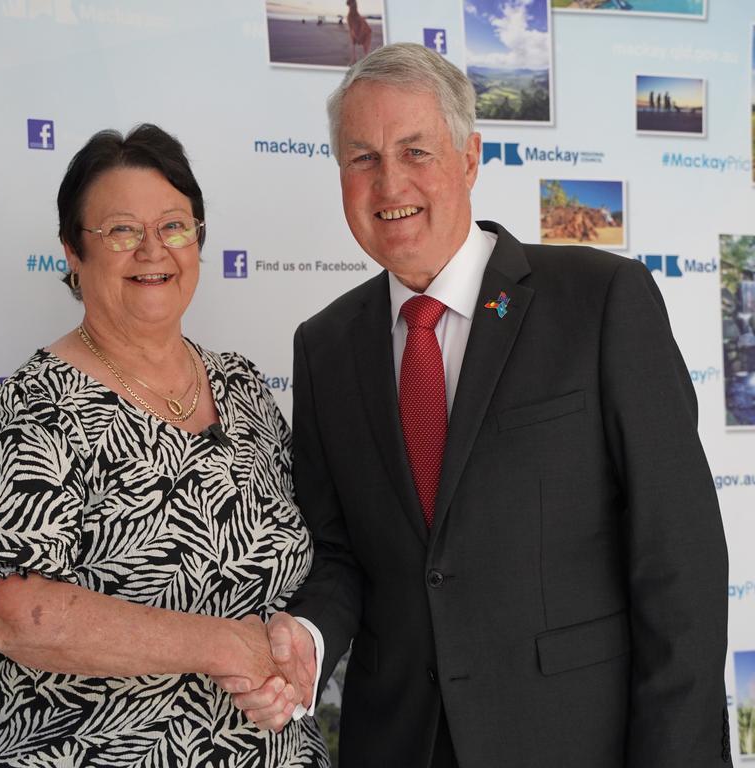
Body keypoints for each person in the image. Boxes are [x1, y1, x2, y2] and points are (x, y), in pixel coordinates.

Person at [221, 43, 730, 768]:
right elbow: (338, 554)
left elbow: (679, 561)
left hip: (577, 742)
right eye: (362, 157)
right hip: (399, 744)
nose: (389, 180)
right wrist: (307, 637)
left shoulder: (601, 301)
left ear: (469, 157)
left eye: (415, 150)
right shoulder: (325, 347)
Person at [0, 124, 328, 768]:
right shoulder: (38, 405)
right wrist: (224, 645)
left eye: (174, 225)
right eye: (121, 231)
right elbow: (6, 610)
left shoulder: (243, 387)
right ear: (72, 252)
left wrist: (291, 647)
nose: (153, 251)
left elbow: (312, 553)